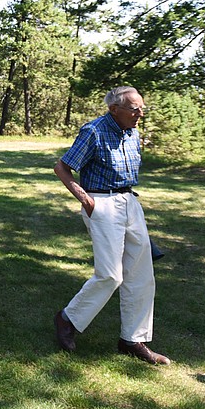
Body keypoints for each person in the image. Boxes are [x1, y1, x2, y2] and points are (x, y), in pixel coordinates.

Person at [52, 86, 170, 365]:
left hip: (130, 201)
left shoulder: (133, 132)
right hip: (101, 203)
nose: (140, 114)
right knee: (110, 275)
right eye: (134, 109)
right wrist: (87, 201)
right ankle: (67, 319)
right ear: (114, 109)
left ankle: (132, 339)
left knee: (142, 275)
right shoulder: (93, 132)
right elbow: (62, 168)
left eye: (142, 108)